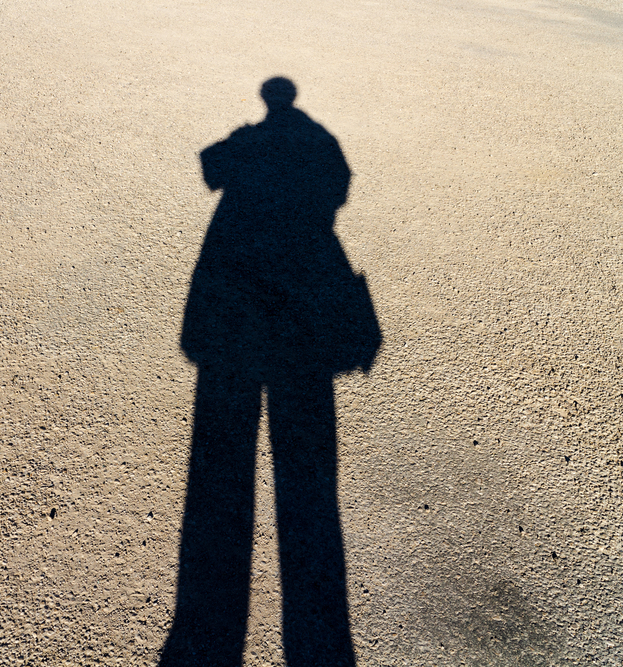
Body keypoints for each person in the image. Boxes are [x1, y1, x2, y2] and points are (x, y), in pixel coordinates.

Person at [161, 77, 380, 667]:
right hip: (303, 300)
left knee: (222, 455)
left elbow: (210, 167)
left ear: (267, 100)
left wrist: (248, 152)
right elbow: (340, 188)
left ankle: (211, 613)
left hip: (234, 300)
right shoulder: (320, 142)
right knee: (305, 462)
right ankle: (310, 610)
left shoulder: (249, 140)